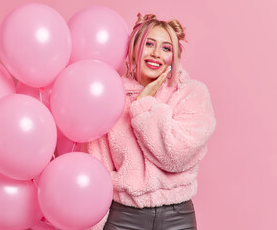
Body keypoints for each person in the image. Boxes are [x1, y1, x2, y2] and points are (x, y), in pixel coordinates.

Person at [81, 13, 216, 230]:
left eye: (166, 48)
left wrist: (143, 105)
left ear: (175, 57)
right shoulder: (111, 97)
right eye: (149, 44)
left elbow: (175, 156)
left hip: (177, 216)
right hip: (123, 215)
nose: (156, 54)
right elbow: (98, 168)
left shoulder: (191, 94)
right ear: (134, 49)